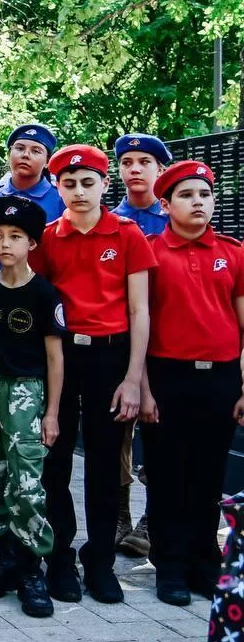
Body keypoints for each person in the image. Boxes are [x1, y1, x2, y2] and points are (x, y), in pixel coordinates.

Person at [35, 144, 156, 605]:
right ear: (58, 186)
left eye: (88, 182)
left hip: (111, 357)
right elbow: (41, 303)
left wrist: (132, 377)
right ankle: (60, 556)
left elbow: (140, 310)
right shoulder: (48, 237)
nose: (79, 191)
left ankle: (100, 559)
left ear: (105, 184)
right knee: (56, 459)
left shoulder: (126, 235)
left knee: (105, 464)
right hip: (63, 357)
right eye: (69, 183)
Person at [142, 160, 244, 605]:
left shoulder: (234, 251)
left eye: (203, 195)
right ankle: (170, 565)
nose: (197, 202)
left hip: (220, 377)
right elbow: (139, 324)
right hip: (167, 376)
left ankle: (205, 561)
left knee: (209, 473)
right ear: (165, 205)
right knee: (168, 473)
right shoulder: (150, 252)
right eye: (186, 196)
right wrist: (142, 386)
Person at [0, 195, 62, 619]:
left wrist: (52, 413)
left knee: (26, 481)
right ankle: (3, 556)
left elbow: (56, 358)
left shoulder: (45, 294)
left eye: (16, 237)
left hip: (28, 393)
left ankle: (30, 567)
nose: (5, 244)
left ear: (33, 243)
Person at [111, 132, 173, 559]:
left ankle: (154, 517)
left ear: (160, 170)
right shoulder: (109, 221)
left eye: (144, 161)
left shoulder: (177, 218)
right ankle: (119, 513)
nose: (135, 168)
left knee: (160, 430)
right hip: (120, 343)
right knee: (117, 432)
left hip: (167, 342)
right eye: (127, 161)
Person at [0, 125, 64, 276]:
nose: (26, 155)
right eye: (19, 148)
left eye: (36, 151)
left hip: (45, 295)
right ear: (9, 154)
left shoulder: (61, 201)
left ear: (48, 161)